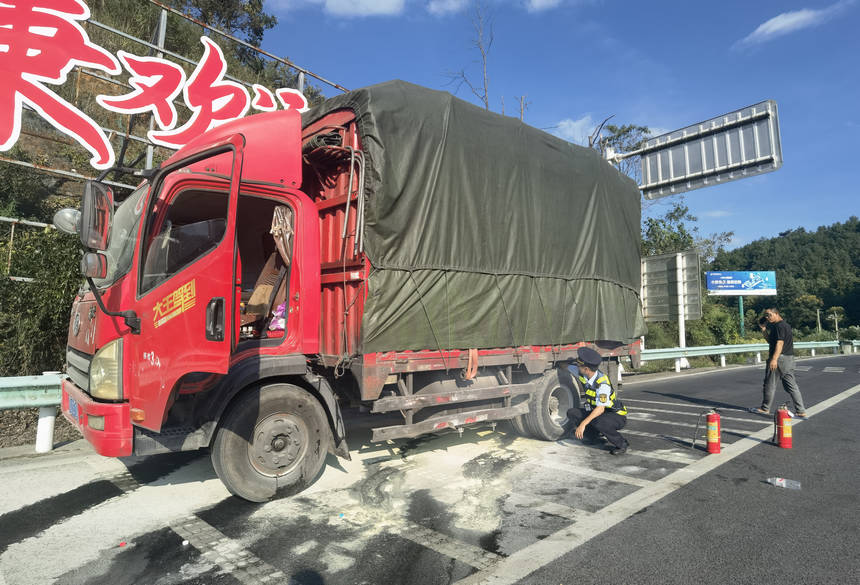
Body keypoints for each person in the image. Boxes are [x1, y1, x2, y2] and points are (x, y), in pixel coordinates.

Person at [563, 347, 630, 455]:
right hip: (597, 412)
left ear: (586, 369)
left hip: (614, 414)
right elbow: (566, 366)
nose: (577, 366)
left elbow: (600, 409)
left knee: (599, 422)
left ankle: (622, 443)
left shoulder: (602, 383)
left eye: (579, 365)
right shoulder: (583, 372)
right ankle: (593, 437)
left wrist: (583, 424)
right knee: (572, 413)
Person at [750, 308, 807, 417]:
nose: (767, 317)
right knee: (791, 385)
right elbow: (770, 342)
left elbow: (779, 344)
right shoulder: (784, 325)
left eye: (769, 315)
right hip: (789, 359)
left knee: (769, 384)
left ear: (776, 314)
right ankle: (801, 410)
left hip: (780, 358)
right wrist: (763, 329)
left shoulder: (779, 326)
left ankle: (765, 408)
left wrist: (774, 359)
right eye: (766, 315)